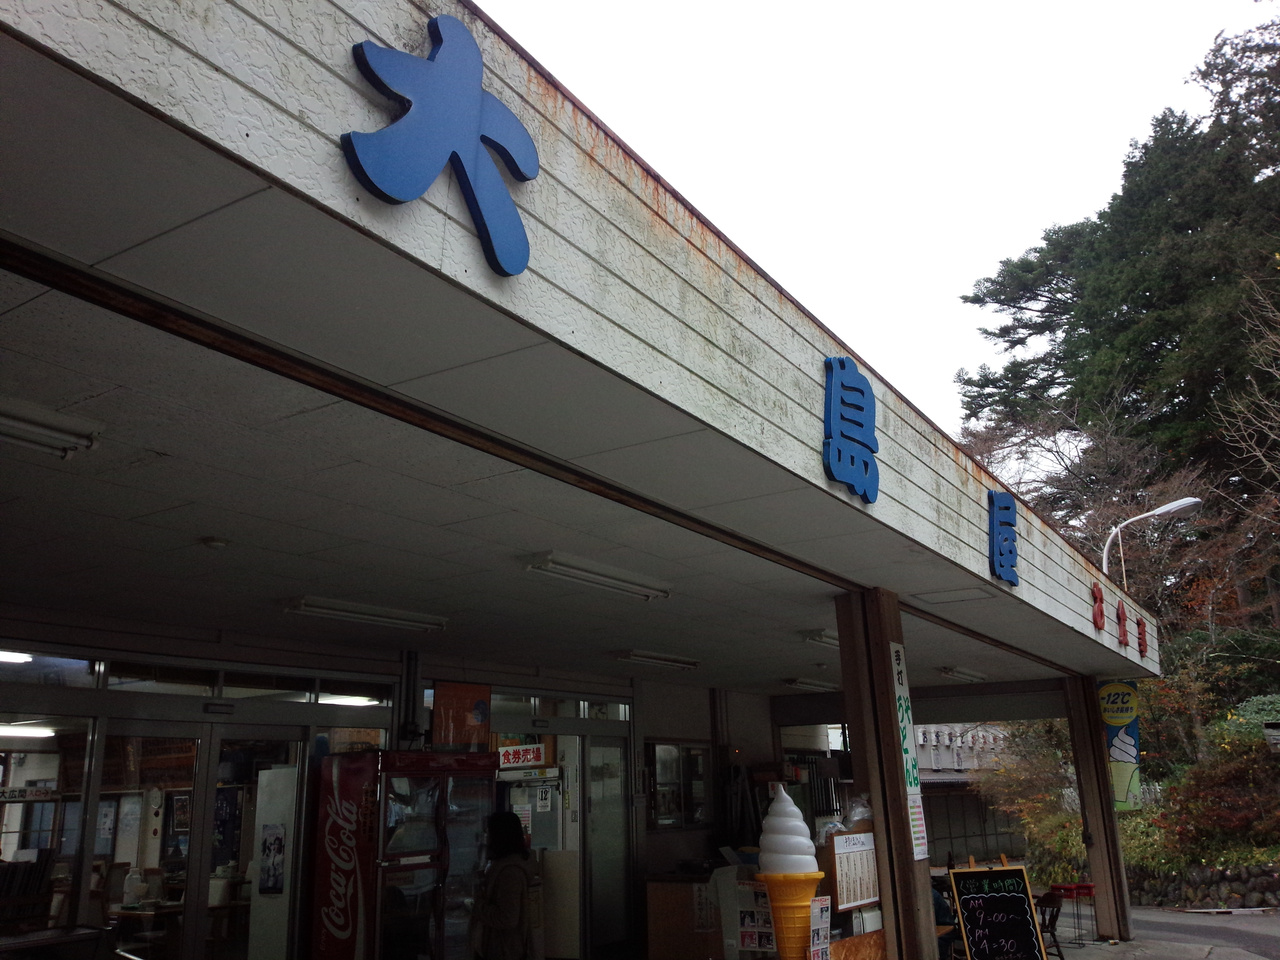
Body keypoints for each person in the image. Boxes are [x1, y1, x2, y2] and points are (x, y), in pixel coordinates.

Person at [471, 811, 535, 960]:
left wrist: (478, 906)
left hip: (503, 949)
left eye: (489, 832)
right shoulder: (508, 865)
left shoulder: (509, 873)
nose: (486, 837)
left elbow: (507, 918)